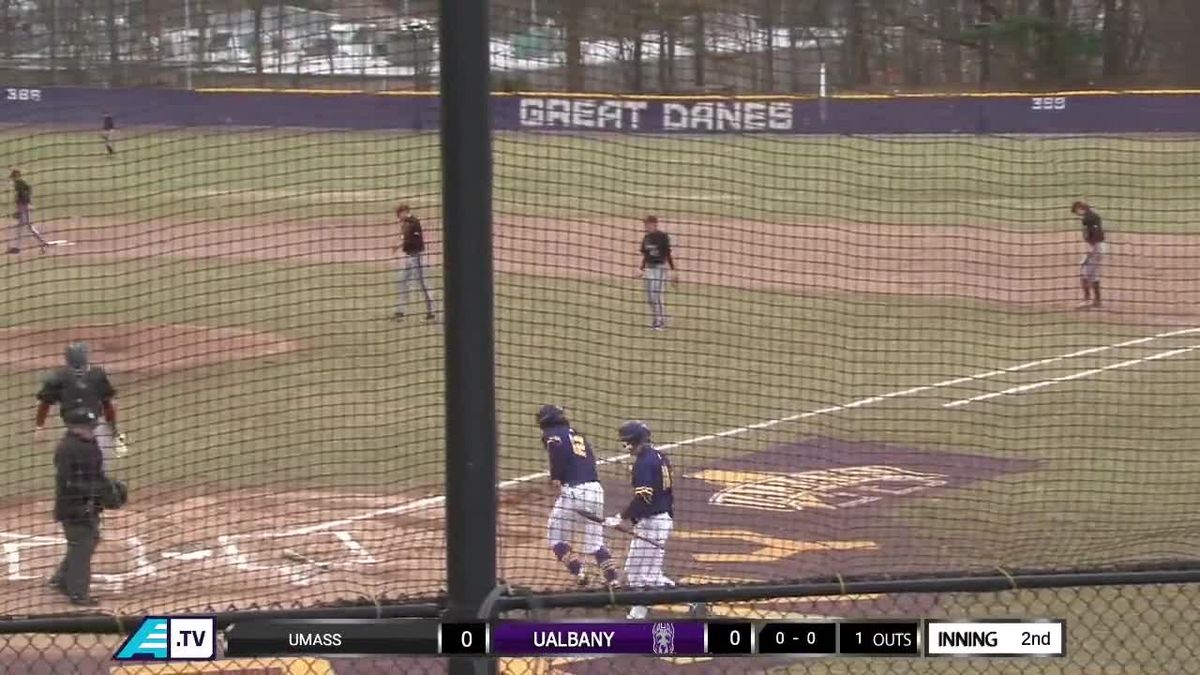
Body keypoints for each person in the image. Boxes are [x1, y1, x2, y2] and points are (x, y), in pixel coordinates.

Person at [537, 404, 620, 588]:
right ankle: (613, 579)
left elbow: (555, 449)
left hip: (575, 492)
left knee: (556, 536)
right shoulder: (578, 435)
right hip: (596, 490)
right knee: (595, 543)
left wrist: (556, 477)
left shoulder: (552, 433)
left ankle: (580, 572)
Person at [604, 420, 674, 619]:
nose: (624, 446)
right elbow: (661, 490)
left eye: (625, 442)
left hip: (653, 523)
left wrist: (621, 518)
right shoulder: (659, 456)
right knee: (644, 573)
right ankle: (691, 601)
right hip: (661, 519)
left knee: (641, 574)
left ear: (632, 442)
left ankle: (638, 615)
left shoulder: (644, 463)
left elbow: (644, 498)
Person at [50, 408, 108, 606]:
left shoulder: (89, 443)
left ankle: (61, 579)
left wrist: (104, 489)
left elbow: (96, 473)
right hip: (73, 507)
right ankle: (78, 593)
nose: (91, 430)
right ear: (73, 427)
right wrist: (89, 496)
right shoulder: (67, 449)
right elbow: (68, 482)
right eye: (86, 427)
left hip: (88, 503)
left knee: (88, 541)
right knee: (81, 546)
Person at [35, 343, 121, 467]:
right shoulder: (96, 375)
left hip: (70, 429)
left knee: (67, 465)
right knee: (99, 468)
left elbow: (44, 403)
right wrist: (113, 430)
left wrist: (39, 427)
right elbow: (109, 405)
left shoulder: (59, 376)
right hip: (95, 430)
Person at [392, 203, 435, 321]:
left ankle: (431, 313)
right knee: (403, 281)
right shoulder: (406, 223)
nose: (398, 217)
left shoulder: (413, 222)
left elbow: (409, 239)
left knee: (423, 284)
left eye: (399, 214)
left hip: (418, 257)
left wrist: (398, 245)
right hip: (410, 257)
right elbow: (404, 237)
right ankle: (400, 311)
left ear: (405, 211)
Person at [638, 216, 676, 330]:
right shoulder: (646, 238)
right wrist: (641, 269)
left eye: (647, 224)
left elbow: (667, 254)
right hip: (649, 269)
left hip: (660, 269)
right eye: (645, 224)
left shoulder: (662, 237)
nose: (645, 226)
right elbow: (646, 255)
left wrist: (673, 270)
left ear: (654, 224)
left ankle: (660, 322)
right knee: (650, 297)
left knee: (657, 296)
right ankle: (657, 318)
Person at [1072, 201, 1106, 309]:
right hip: (1099, 247)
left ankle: (1087, 300)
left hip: (1096, 248)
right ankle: (1097, 300)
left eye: (1077, 211)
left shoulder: (1089, 219)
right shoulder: (1091, 217)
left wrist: (1092, 250)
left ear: (1079, 208)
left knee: (1084, 273)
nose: (1077, 214)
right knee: (1093, 274)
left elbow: (1095, 235)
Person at [7, 169, 49, 255]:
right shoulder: (20, 183)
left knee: (27, 227)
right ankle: (17, 248)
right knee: (23, 227)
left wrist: (21, 209)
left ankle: (43, 243)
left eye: (13, 177)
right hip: (24, 207)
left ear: (17, 176)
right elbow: (28, 190)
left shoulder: (19, 183)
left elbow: (25, 193)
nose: (12, 179)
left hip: (24, 207)